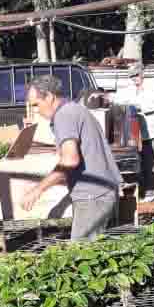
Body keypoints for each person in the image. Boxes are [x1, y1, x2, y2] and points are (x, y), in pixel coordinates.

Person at [21, 75, 123, 241]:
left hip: (93, 197)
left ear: (49, 97)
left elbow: (70, 160)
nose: (35, 110)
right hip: (99, 193)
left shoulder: (64, 115)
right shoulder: (73, 109)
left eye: (36, 105)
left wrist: (37, 190)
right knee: (94, 253)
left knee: (82, 255)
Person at [112, 64, 154, 203]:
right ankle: (151, 191)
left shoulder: (152, 86)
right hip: (143, 133)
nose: (135, 78)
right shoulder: (130, 89)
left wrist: (134, 105)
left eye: (136, 75)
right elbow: (117, 99)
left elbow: (152, 105)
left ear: (142, 73)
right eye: (132, 76)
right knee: (146, 163)